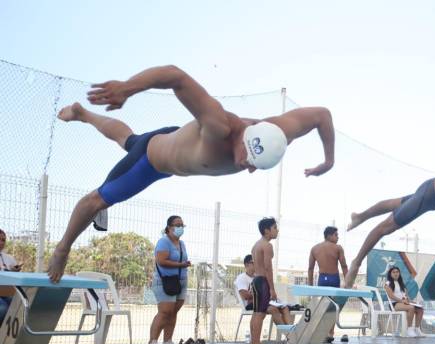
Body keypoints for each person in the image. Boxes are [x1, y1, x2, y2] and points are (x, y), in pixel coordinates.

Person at [49, 64, 336, 282]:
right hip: (151, 162)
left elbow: (322, 114)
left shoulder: (278, 131)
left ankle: (83, 114)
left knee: (126, 138)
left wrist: (328, 161)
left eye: (254, 166)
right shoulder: (219, 126)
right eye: (247, 160)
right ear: (243, 138)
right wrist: (127, 88)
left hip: (175, 146)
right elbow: (175, 75)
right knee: (96, 201)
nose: (247, 168)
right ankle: (62, 249)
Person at [148, 216, 190, 344]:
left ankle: (168, 341)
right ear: (169, 227)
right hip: (165, 281)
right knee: (165, 312)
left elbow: (182, 260)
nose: (180, 228)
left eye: (182, 225)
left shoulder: (182, 244)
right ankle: (152, 341)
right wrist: (181, 264)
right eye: (177, 225)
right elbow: (161, 261)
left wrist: (184, 265)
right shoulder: (163, 242)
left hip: (181, 281)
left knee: (173, 312)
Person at [249, 217, 285, 344]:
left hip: (256, 280)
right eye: (275, 228)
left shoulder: (256, 245)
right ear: (266, 230)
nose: (277, 230)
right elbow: (268, 268)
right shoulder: (267, 246)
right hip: (262, 281)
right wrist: (272, 289)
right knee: (260, 314)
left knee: (256, 313)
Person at [308, 226, 349, 343]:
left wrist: (310, 286)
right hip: (333, 279)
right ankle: (330, 333)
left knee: (323, 307)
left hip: (322, 280)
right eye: (336, 235)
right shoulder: (338, 248)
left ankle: (323, 332)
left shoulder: (315, 248)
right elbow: (344, 266)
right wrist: (348, 282)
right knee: (333, 307)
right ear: (329, 235)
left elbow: (310, 268)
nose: (338, 237)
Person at [235, 254, 290, 339]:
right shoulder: (242, 278)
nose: (257, 264)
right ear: (246, 265)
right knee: (273, 309)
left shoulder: (258, 277)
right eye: (254, 263)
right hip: (252, 303)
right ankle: (289, 336)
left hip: (262, 301)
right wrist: (262, 294)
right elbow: (245, 295)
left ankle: (290, 333)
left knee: (285, 307)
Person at [384, 266, 424, 337]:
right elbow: (391, 296)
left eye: (397, 272)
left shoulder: (401, 283)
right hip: (394, 304)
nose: (396, 274)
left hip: (403, 303)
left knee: (420, 309)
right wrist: (403, 301)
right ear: (390, 274)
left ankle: (417, 329)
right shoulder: (388, 283)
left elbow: (406, 295)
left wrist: (411, 301)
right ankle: (409, 329)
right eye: (393, 272)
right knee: (411, 308)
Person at [0, 228, 21, 325]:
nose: (1, 242)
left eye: (3, 240)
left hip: (7, 292)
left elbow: (15, 276)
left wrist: (14, 271)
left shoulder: (9, 258)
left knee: (19, 305)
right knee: (3, 308)